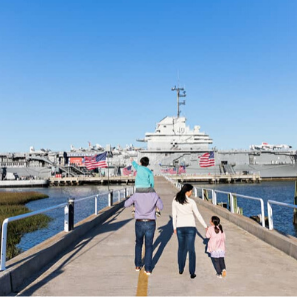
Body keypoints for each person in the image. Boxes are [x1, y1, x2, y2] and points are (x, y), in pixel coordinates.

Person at [124, 189, 163, 275]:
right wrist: (157, 198)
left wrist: (134, 200)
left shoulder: (136, 194)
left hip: (139, 222)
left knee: (138, 243)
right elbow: (161, 207)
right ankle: (148, 269)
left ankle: (137, 265)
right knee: (149, 245)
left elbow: (126, 204)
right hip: (150, 222)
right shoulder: (154, 195)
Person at [172, 183, 207, 279]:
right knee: (191, 250)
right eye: (191, 191)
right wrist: (205, 226)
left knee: (181, 249)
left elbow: (174, 215)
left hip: (180, 227)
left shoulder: (175, 200)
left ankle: (180, 268)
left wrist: (174, 227)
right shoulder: (191, 202)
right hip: (191, 227)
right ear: (187, 191)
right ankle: (192, 272)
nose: (191, 193)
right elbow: (198, 215)